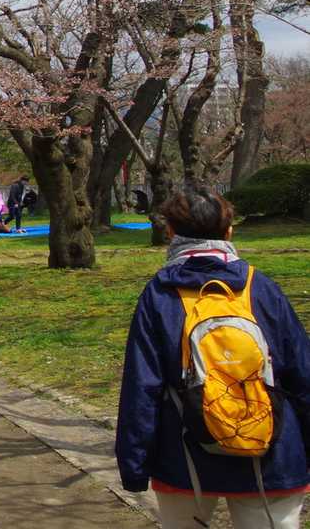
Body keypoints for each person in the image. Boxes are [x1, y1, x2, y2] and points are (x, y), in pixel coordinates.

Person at [116, 186, 310, 529]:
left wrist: (134, 465)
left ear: (171, 232)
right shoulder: (261, 288)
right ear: (229, 232)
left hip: (184, 455)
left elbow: (142, 386)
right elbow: (301, 373)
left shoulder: (160, 293)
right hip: (271, 449)